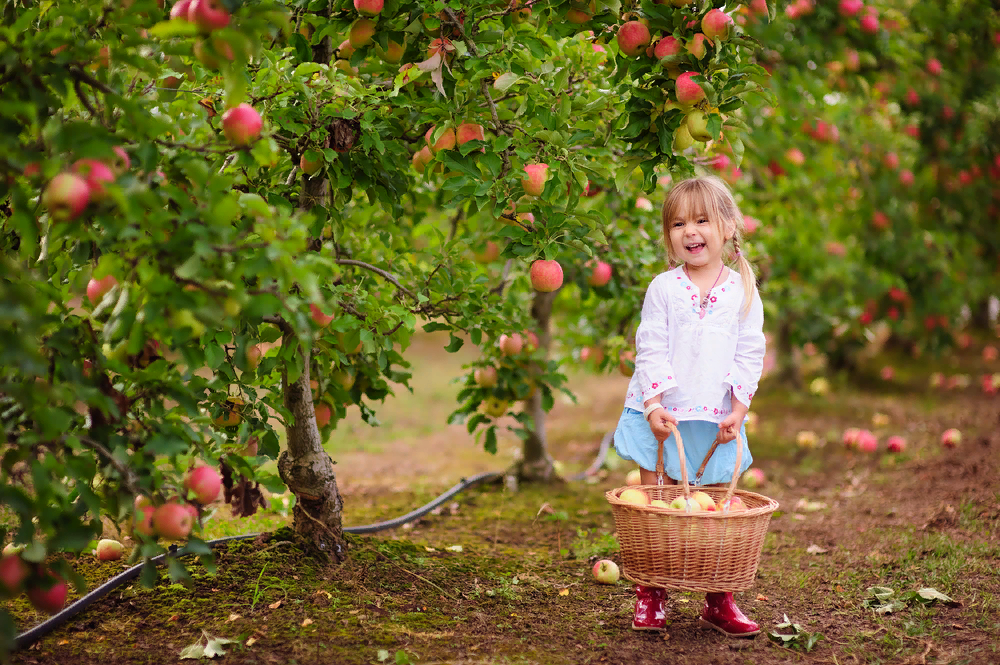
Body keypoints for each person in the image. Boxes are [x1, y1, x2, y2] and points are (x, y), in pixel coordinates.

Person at [613, 175, 766, 638]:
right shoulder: (664, 287)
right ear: (668, 236)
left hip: (715, 417)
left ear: (728, 228)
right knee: (656, 509)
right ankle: (651, 594)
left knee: (717, 512)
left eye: (702, 220)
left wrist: (739, 409)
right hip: (660, 414)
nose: (690, 231)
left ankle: (718, 599)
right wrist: (654, 402)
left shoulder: (743, 290)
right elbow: (651, 346)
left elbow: (749, 351)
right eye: (678, 223)